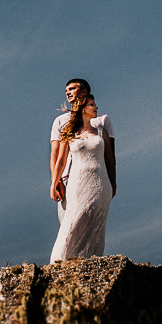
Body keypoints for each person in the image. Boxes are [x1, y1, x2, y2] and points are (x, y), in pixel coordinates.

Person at [49, 82, 116, 261]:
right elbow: (57, 155)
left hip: (99, 179)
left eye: (72, 89)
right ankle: (62, 264)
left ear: (84, 91)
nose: (67, 93)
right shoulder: (62, 123)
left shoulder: (102, 121)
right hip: (70, 179)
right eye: (66, 90)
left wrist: (113, 182)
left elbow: (110, 157)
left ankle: (88, 262)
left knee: (95, 225)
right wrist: (55, 181)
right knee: (70, 223)